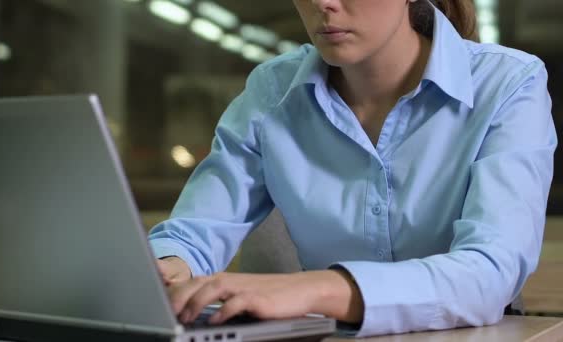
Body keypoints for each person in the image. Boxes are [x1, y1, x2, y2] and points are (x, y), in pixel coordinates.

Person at [148, 0, 558, 337]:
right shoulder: (270, 92)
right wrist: (166, 268)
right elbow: (194, 233)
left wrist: (311, 290)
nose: (322, 4)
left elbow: (489, 272)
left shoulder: (508, 82)